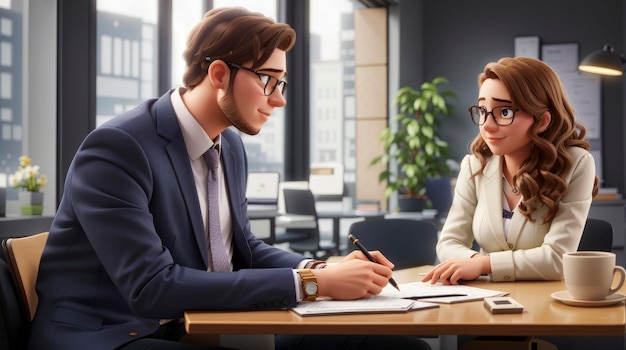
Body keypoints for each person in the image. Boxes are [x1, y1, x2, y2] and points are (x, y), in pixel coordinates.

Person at [29, 7, 429, 350]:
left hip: (192, 326)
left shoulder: (230, 147)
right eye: (267, 80)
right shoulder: (118, 148)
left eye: (282, 82)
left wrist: (321, 268)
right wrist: (310, 284)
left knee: (401, 346)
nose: (279, 99)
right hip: (112, 335)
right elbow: (152, 287)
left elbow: (244, 249)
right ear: (219, 73)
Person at [422, 56, 599, 285]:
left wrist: (483, 264)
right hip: (485, 302)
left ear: (541, 121)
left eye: (504, 112)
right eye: (483, 110)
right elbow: (448, 243)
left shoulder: (576, 163)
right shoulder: (474, 165)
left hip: (547, 306)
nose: (486, 124)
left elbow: (557, 259)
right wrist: (473, 259)